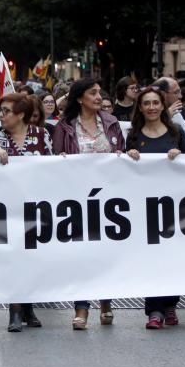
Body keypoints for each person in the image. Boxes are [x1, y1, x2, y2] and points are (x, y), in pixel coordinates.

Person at [52, 78, 125, 330]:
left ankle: (106, 302)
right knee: (80, 255)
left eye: (99, 92)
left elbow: (122, 157)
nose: (98, 96)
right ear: (80, 98)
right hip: (77, 200)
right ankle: (81, 307)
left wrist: (125, 158)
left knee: (105, 253)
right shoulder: (65, 126)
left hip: (109, 200)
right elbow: (55, 162)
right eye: (92, 93)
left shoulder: (112, 123)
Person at [0, 93, 52, 332]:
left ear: (21, 114)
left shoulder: (42, 135)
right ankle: (14, 310)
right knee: (13, 259)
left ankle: (28, 306)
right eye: (0, 111)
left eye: (6, 111)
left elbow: (53, 167)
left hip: (35, 207)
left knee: (32, 258)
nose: (1, 116)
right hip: (8, 210)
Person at [125, 87, 185, 330]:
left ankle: (171, 303)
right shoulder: (133, 136)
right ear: (140, 107)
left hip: (174, 206)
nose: (151, 107)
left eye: (155, 103)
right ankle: (154, 310)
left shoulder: (176, 132)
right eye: (146, 103)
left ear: (162, 106)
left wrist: (179, 155)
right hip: (144, 208)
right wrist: (128, 155)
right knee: (151, 259)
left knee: (173, 258)